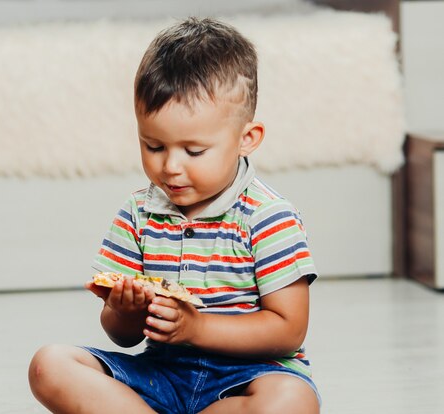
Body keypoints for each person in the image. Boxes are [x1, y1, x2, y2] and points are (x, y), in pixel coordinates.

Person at [29, 17, 321, 413]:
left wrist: (197, 328)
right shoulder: (139, 213)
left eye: (194, 151)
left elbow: (289, 329)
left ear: (245, 140)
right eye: (153, 146)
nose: (171, 167)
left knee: (291, 400)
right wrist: (125, 311)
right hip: (161, 374)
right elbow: (122, 337)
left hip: (247, 377)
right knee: (50, 364)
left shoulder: (269, 217)